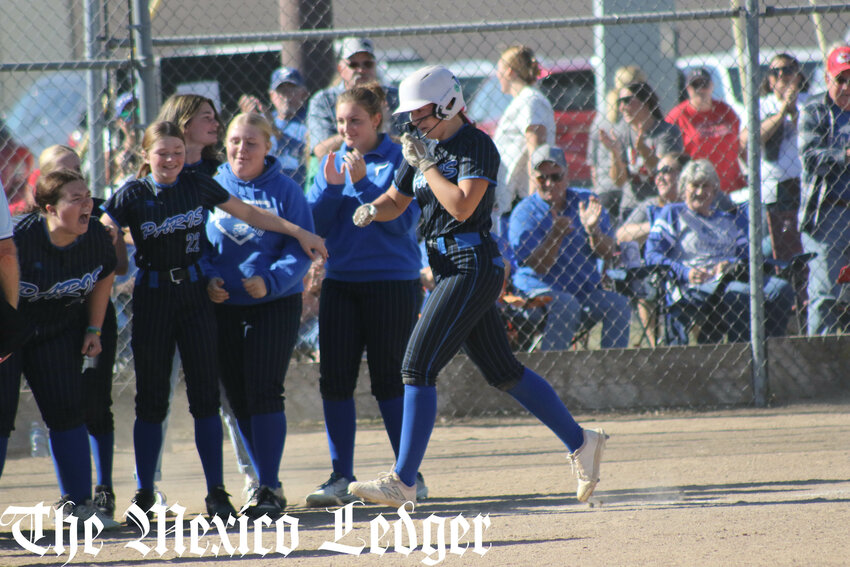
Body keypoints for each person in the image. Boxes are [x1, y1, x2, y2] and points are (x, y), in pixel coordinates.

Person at [345, 65, 607, 507]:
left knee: (416, 364)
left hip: (472, 263)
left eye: (421, 112)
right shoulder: (427, 146)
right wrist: (371, 207)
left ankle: (403, 481)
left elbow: (463, 206)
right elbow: (397, 200)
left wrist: (426, 164)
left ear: (448, 103)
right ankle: (583, 441)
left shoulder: (475, 144)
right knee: (503, 372)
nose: (412, 123)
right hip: (451, 268)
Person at [100, 121, 326, 520]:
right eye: (161, 152)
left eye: (176, 152)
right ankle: (145, 492)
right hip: (154, 297)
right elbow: (105, 223)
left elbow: (250, 214)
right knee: (151, 400)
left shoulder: (198, 184)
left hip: (194, 297)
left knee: (207, 399)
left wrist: (298, 232)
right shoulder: (133, 192)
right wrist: (111, 240)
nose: (169, 159)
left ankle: (217, 492)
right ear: (145, 156)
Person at [305, 83, 427, 507]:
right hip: (342, 282)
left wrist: (359, 186)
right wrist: (333, 186)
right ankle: (341, 477)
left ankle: (408, 476)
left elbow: (398, 225)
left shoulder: (399, 158)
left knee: (389, 380)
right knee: (334, 380)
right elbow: (315, 225)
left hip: (392, 282)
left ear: (376, 120)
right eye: (340, 122)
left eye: (355, 120)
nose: (346, 130)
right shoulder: (332, 161)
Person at [203, 112, 313, 518]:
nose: (240, 150)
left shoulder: (286, 191)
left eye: (251, 142)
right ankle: (257, 482)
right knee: (235, 396)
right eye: (234, 141)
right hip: (224, 306)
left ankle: (269, 485)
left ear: (268, 147)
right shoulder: (212, 185)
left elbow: (301, 250)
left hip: (273, 304)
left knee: (264, 389)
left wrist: (270, 279)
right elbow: (198, 244)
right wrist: (209, 278)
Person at [0, 169, 119, 528]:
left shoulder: (96, 234)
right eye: (76, 199)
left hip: (57, 328)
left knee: (67, 410)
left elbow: (104, 275)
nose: (88, 205)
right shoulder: (22, 237)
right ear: (50, 208)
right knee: (1, 414)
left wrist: (94, 327)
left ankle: (78, 505)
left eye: (88, 196)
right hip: (8, 326)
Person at [35, 145, 128, 519]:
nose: (74, 178)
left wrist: (115, 238)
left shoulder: (97, 212)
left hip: (94, 316)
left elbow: (117, 268)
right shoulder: (31, 223)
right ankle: (72, 495)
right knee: (61, 406)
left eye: (77, 171)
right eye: (62, 172)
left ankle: (103, 489)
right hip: (50, 324)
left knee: (95, 400)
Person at [644, 160, 794, 345]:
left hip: (732, 277)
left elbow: (747, 255)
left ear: (715, 190)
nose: (699, 192)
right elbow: (652, 255)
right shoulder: (673, 214)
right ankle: (743, 356)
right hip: (694, 283)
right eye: (694, 186)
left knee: (781, 290)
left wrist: (731, 263)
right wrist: (685, 272)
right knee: (741, 293)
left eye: (705, 186)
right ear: (683, 188)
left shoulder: (726, 220)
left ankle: (771, 350)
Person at [509, 145, 631, 351]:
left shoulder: (585, 201)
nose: (549, 183)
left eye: (556, 177)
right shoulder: (524, 212)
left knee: (618, 305)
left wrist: (593, 231)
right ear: (533, 178)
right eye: (541, 178)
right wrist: (555, 236)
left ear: (566, 176)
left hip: (583, 292)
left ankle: (611, 372)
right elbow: (539, 267)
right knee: (566, 305)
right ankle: (552, 374)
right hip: (537, 294)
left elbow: (608, 252)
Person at [799, 45, 850, 335]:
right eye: (840, 79)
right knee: (826, 296)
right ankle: (817, 369)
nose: (846, 87)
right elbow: (809, 157)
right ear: (828, 80)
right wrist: (846, 155)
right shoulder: (815, 110)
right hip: (828, 212)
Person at [616, 152, 690, 346]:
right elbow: (621, 235)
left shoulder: (695, 204)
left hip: (690, 267)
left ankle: (694, 344)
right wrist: (660, 226)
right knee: (646, 285)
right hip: (656, 270)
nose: (659, 177)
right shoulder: (649, 205)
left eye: (666, 171)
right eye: (656, 172)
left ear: (684, 175)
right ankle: (655, 345)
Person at [491, 45, 556, 232]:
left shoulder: (530, 100)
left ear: (510, 72)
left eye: (499, 70)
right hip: (511, 198)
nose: (497, 75)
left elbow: (536, 149)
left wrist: (532, 201)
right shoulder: (523, 100)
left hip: (521, 197)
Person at [599, 82, 683, 221]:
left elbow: (662, 173)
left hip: (660, 204)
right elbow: (619, 182)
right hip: (631, 206)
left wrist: (643, 150)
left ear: (647, 102)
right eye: (619, 102)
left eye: (627, 101)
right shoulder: (623, 133)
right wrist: (615, 152)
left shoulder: (667, 133)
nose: (622, 108)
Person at [307, 37, 402, 159]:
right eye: (354, 65)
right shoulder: (324, 100)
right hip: (344, 167)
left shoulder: (393, 96)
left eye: (367, 64)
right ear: (341, 69)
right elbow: (320, 150)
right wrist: (359, 130)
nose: (361, 70)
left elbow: (415, 142)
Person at [741, 54, 808, 214]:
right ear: (769, 80)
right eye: (774, 71)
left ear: (798, 76)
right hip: (772, 186)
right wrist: (781, 113)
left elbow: (811, 132)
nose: (780, 75)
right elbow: (748, 140)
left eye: (787, 70)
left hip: (803, 182)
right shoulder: (760, 105)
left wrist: (794, 113)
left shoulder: (810, 101)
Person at [665, 68, 746, 194]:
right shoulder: (677, 115)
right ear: (687, 88)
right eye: (695, 85)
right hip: (700, 189)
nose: (700, 89)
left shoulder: (725, 110)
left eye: (704, 84)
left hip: (732, 186)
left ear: (712, 86)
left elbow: (740, 144)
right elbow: (670, 155)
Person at [588, 65, 648, 221]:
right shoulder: (633, 117)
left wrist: (598, 188)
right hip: (630, 191)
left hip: (604, 190)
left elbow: (593, 164)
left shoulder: (600, 118)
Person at [239, 67, 310, 188]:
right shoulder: (263, 119)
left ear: (303, 93)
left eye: (291, 90)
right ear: (272, 95)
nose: (286, 97)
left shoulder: (309, 119)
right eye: (281, 91)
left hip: (301, 188)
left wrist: (272, 128)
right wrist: (246, 120)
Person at [157, 94, 223, 177]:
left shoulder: (218, 172)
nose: (216, 124)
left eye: (214, 118)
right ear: (185, 124)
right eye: (207, 117)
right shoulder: (163, 172)